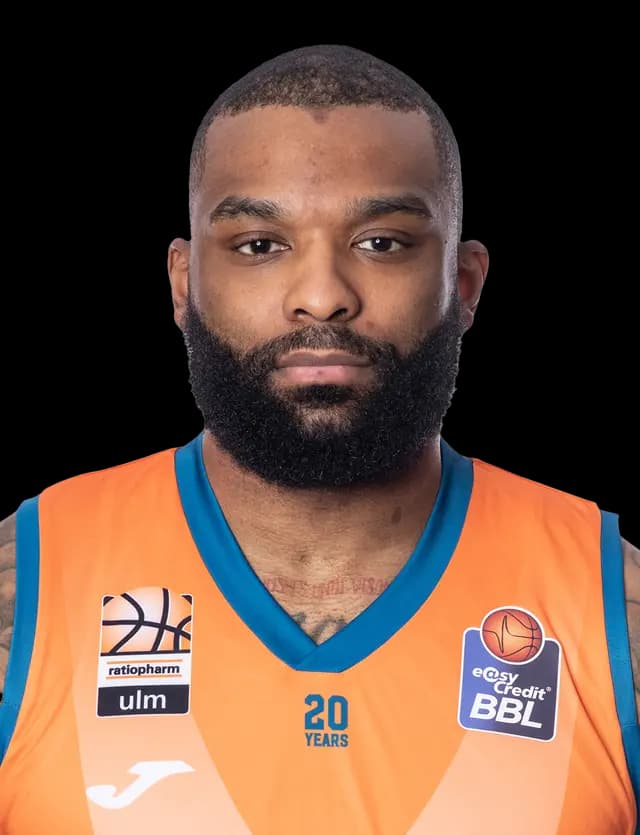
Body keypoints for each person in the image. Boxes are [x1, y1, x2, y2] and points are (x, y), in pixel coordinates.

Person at [0, 43, 638, 835]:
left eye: (382, 242)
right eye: (260, 245)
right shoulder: (25, 590)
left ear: (464, 283)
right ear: (183, 282)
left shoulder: (612, 607)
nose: (322, 296)